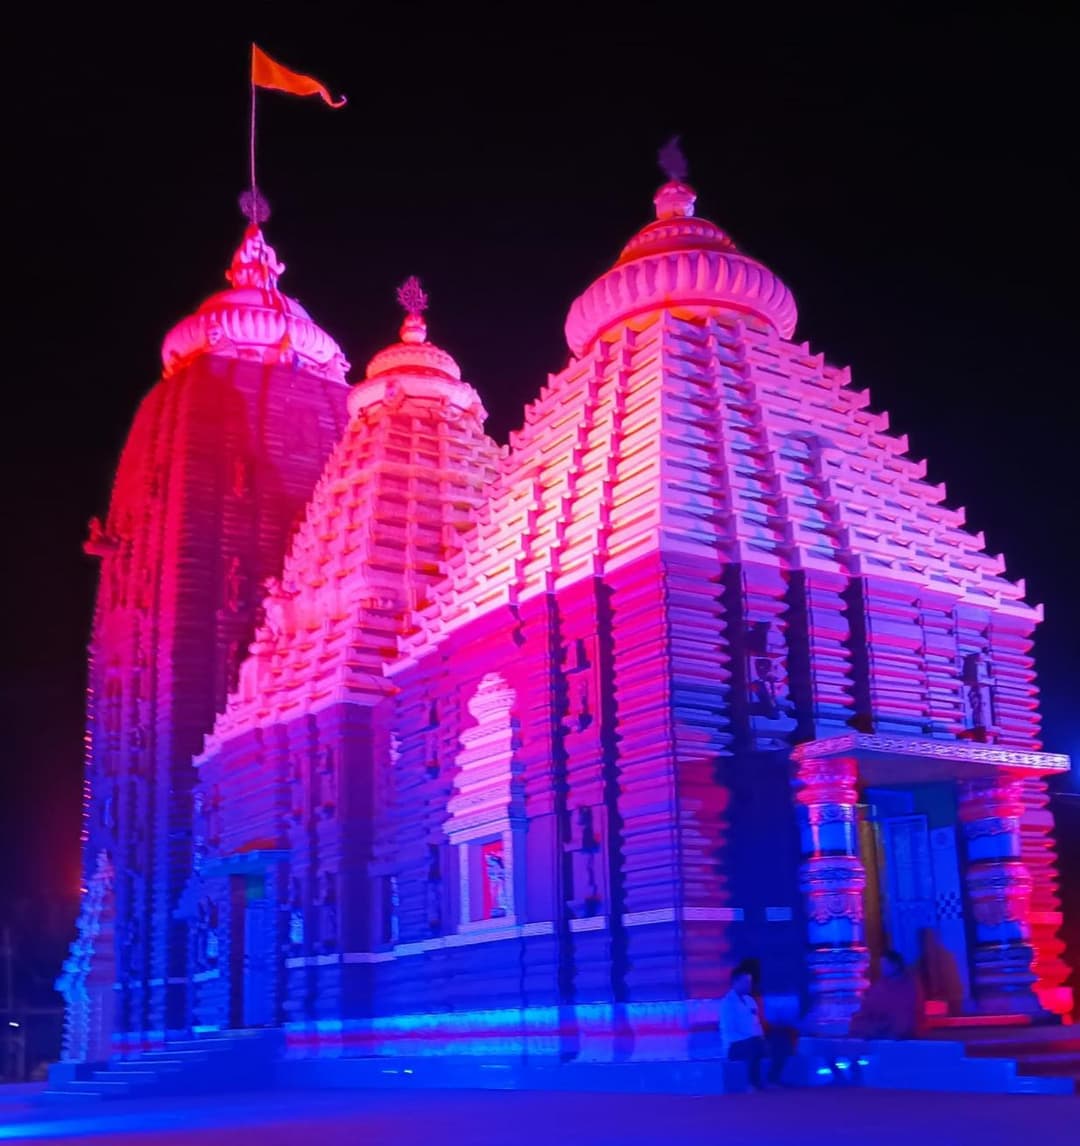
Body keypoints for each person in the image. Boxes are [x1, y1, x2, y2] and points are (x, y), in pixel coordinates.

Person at [720, 965, 791, 1088]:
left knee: (781, 1040)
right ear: (735, 982)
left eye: (750, 982)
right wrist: (752, 1039)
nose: (749, 985)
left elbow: (757, 1024)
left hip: (755, 1041)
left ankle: (772, 1079)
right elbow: (728, 1030)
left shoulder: (750, 1000)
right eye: (746, 982)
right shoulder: (727, 1003)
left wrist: (762, 1039)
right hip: (735, 1045)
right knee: (753, 1044)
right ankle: (752, 1084)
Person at [849, 950, 920, 1039]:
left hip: (895, 1032)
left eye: (886, 964)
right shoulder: (879, 985)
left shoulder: (908, 986)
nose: (882, 968)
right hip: (877, 1028)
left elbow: (904, 1017)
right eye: (882, 965)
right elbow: (867, 1008)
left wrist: (888, 1029)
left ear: (896, 965)